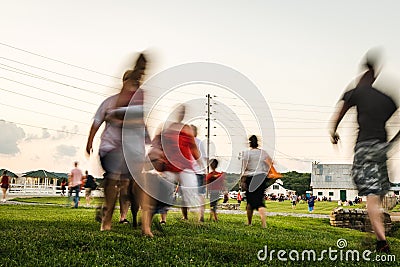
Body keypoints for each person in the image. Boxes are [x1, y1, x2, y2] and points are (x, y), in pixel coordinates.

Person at [330, 51, 396, 253]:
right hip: (382, 148)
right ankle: (376, 229)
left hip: (365, 148)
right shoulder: (386, 98)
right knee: (378, 195)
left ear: (365, 71)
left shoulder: (358, 91)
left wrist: (333, 131)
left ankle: (380, 240)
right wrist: (393, 142)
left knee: (371, 197)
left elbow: (339, 112)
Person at [86, 53, 150, 232]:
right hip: (111, 148)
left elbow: (142, 128)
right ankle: (107, 220)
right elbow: (97, 122)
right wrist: (89, 142)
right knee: (113, 179)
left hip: (132, 152)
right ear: (124, 82)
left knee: (137, 185)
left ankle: (144, 225)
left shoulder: (138, 105)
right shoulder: (110, 102)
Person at [152, 104, 202, 224]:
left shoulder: (187, 129)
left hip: (185, 166)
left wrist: (200, 161)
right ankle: (161, 217)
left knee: (191, 188)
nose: (181, 115)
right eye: (179, 112)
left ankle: (195, 214)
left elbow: (193, 147)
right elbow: (156, 144)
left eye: (182, 113)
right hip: (169, 166)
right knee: (165, 192)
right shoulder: (166, 127)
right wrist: (157, 157)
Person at [241, 135, 272, 228]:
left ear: (250, 143)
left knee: (250, 201)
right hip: (261, 177)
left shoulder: (247, 153)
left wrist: (242, 180)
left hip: (250, 178)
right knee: (260, 201)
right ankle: (264, 223)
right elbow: (270, 164)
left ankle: (249, 222)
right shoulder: (263, 153)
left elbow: (244, 168)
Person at [191, 124, 206, 222]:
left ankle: (188, 214)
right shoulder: (200, 142)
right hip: (200, 172)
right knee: (201, 195)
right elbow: (204, 157)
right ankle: (201, 215)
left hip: (190, 172)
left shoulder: (185, 143)